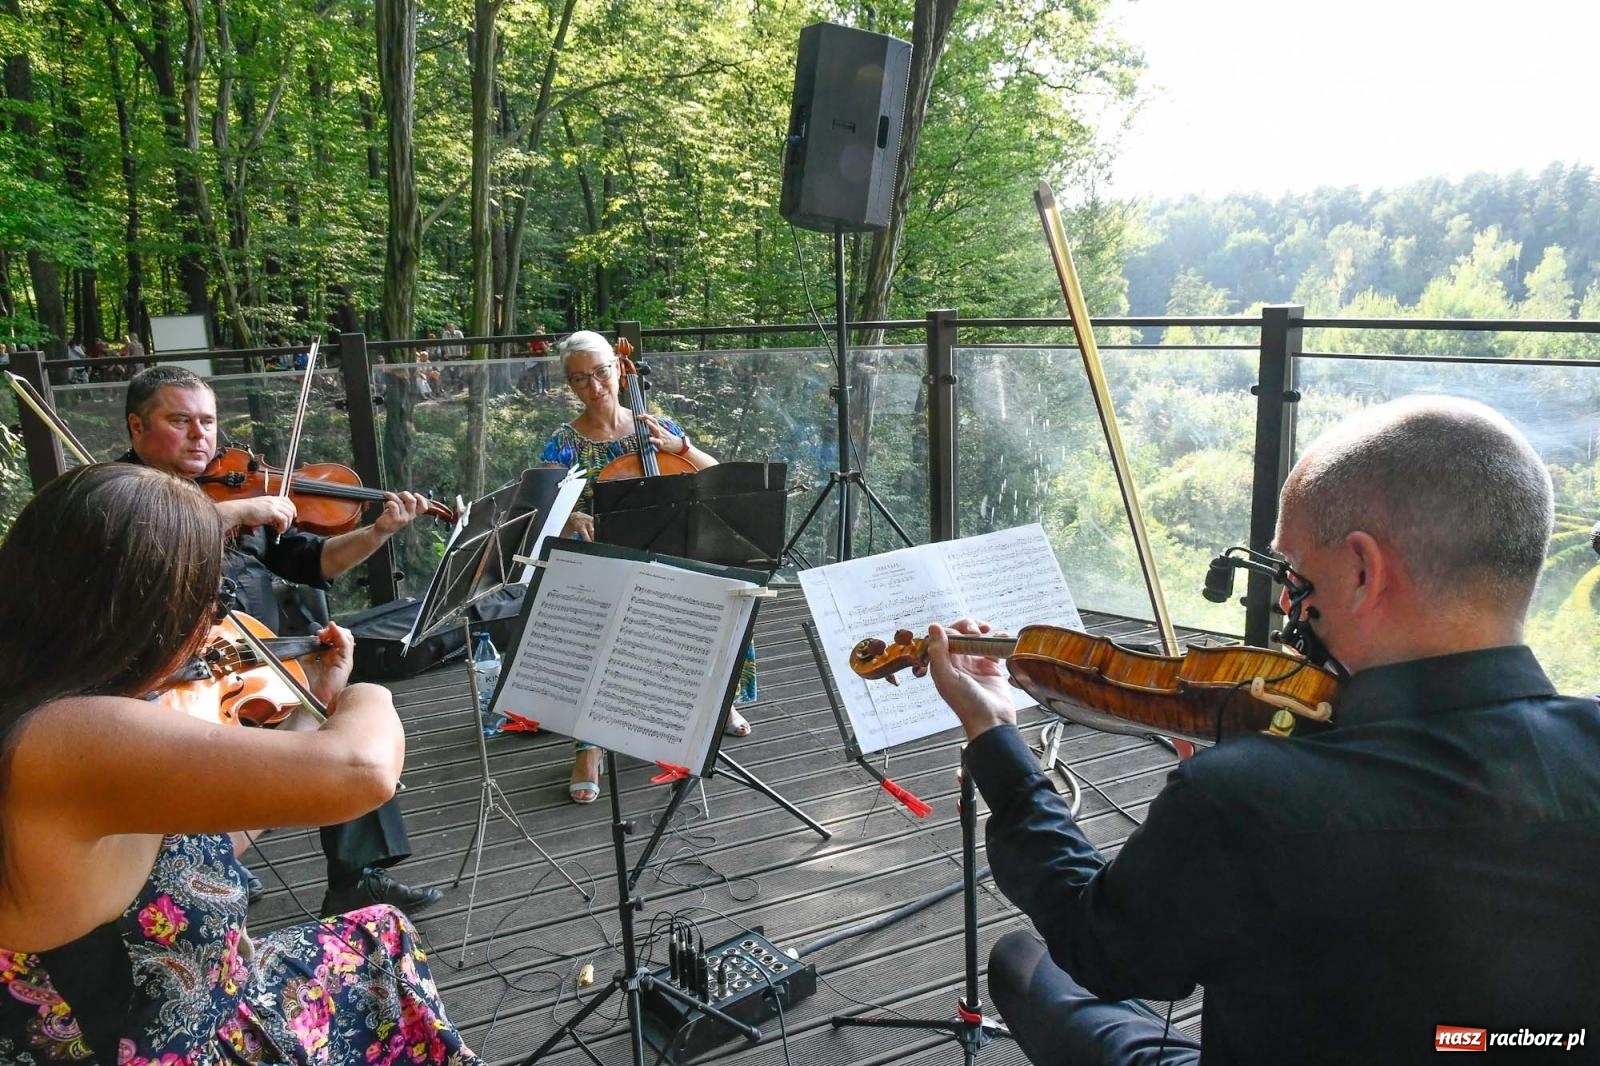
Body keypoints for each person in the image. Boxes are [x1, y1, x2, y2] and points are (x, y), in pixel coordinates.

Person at [921, 396, 1600, 1065]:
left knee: (1024, 960)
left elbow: (1100, 946)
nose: (1285, 600)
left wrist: (995, 734)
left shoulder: (1239, 800)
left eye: (1294, 574)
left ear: (1363, 572)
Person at [0, 463, 479, 1062]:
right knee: (378, 952)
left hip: (189, 1001)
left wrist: (319, 702)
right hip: (161, 1045)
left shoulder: (44, 704)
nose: (209, 626)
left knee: (379, 932)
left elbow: (198, 844)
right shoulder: (69, 734)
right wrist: (370, 690)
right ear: (146, 608)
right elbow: (363, 769)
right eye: (210, 597)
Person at [120, 365, 444, 916]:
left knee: (341, 707)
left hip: (256, 663)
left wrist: (378, 531)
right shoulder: (117, 494)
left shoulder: (234, 482)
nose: (201, 436)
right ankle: (209, 863)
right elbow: (141, 543)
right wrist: (233, 512)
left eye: (208, 422)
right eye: (181, 421)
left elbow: (316, 561)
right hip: (175, 686)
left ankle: (354, 879)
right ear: (137, 427)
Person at [539, 330, 754, 803]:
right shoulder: (563, 443)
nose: (594, 386)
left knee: (724, 594)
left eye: (600, 372)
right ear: (570, 385)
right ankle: (589, 747)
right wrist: (572, 515)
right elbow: (542, 508)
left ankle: (720, 703)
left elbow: (713, 473)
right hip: (606, 559)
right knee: (592, 630)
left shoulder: (654, 424)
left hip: (670, 548)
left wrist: (677, 448)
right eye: (580, 379)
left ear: (618, 369)